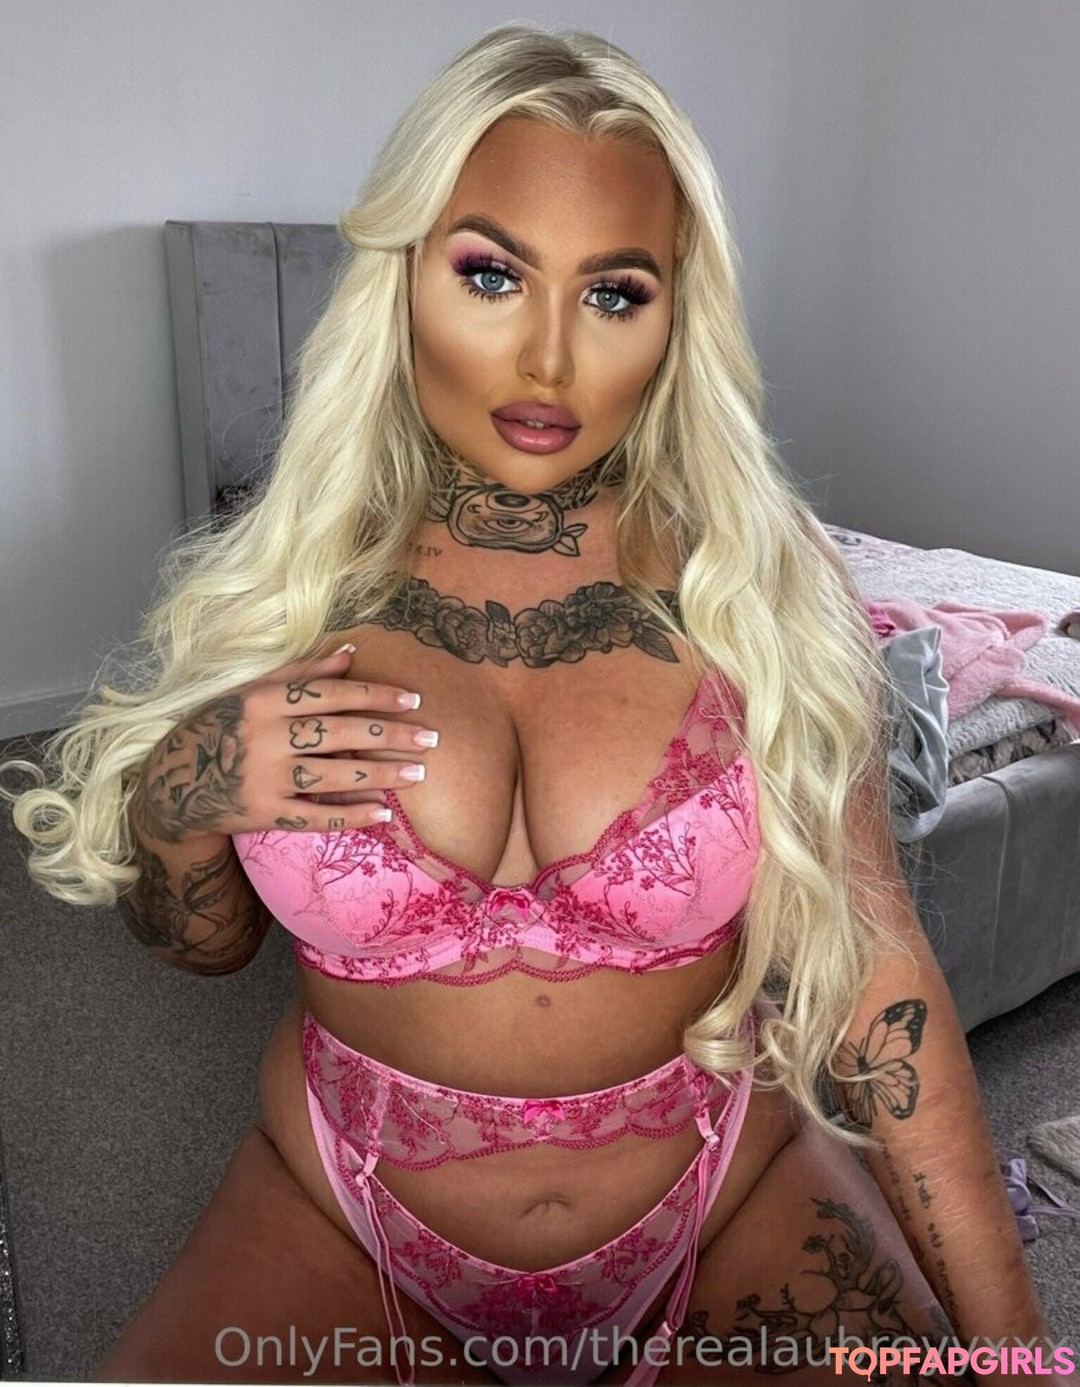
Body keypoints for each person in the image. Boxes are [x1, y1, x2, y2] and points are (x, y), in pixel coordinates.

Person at [3, 25, 1062, 1387]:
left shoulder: (757, 583)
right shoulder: (293, 585)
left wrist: (1020, 1356)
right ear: (405, 277)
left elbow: (877, 981)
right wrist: (181, 800)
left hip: (728, 1197)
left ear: (674, 318)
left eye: (614, 293)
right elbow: (196, 945)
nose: (549, 360)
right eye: (493, 275)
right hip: (344, 1212)